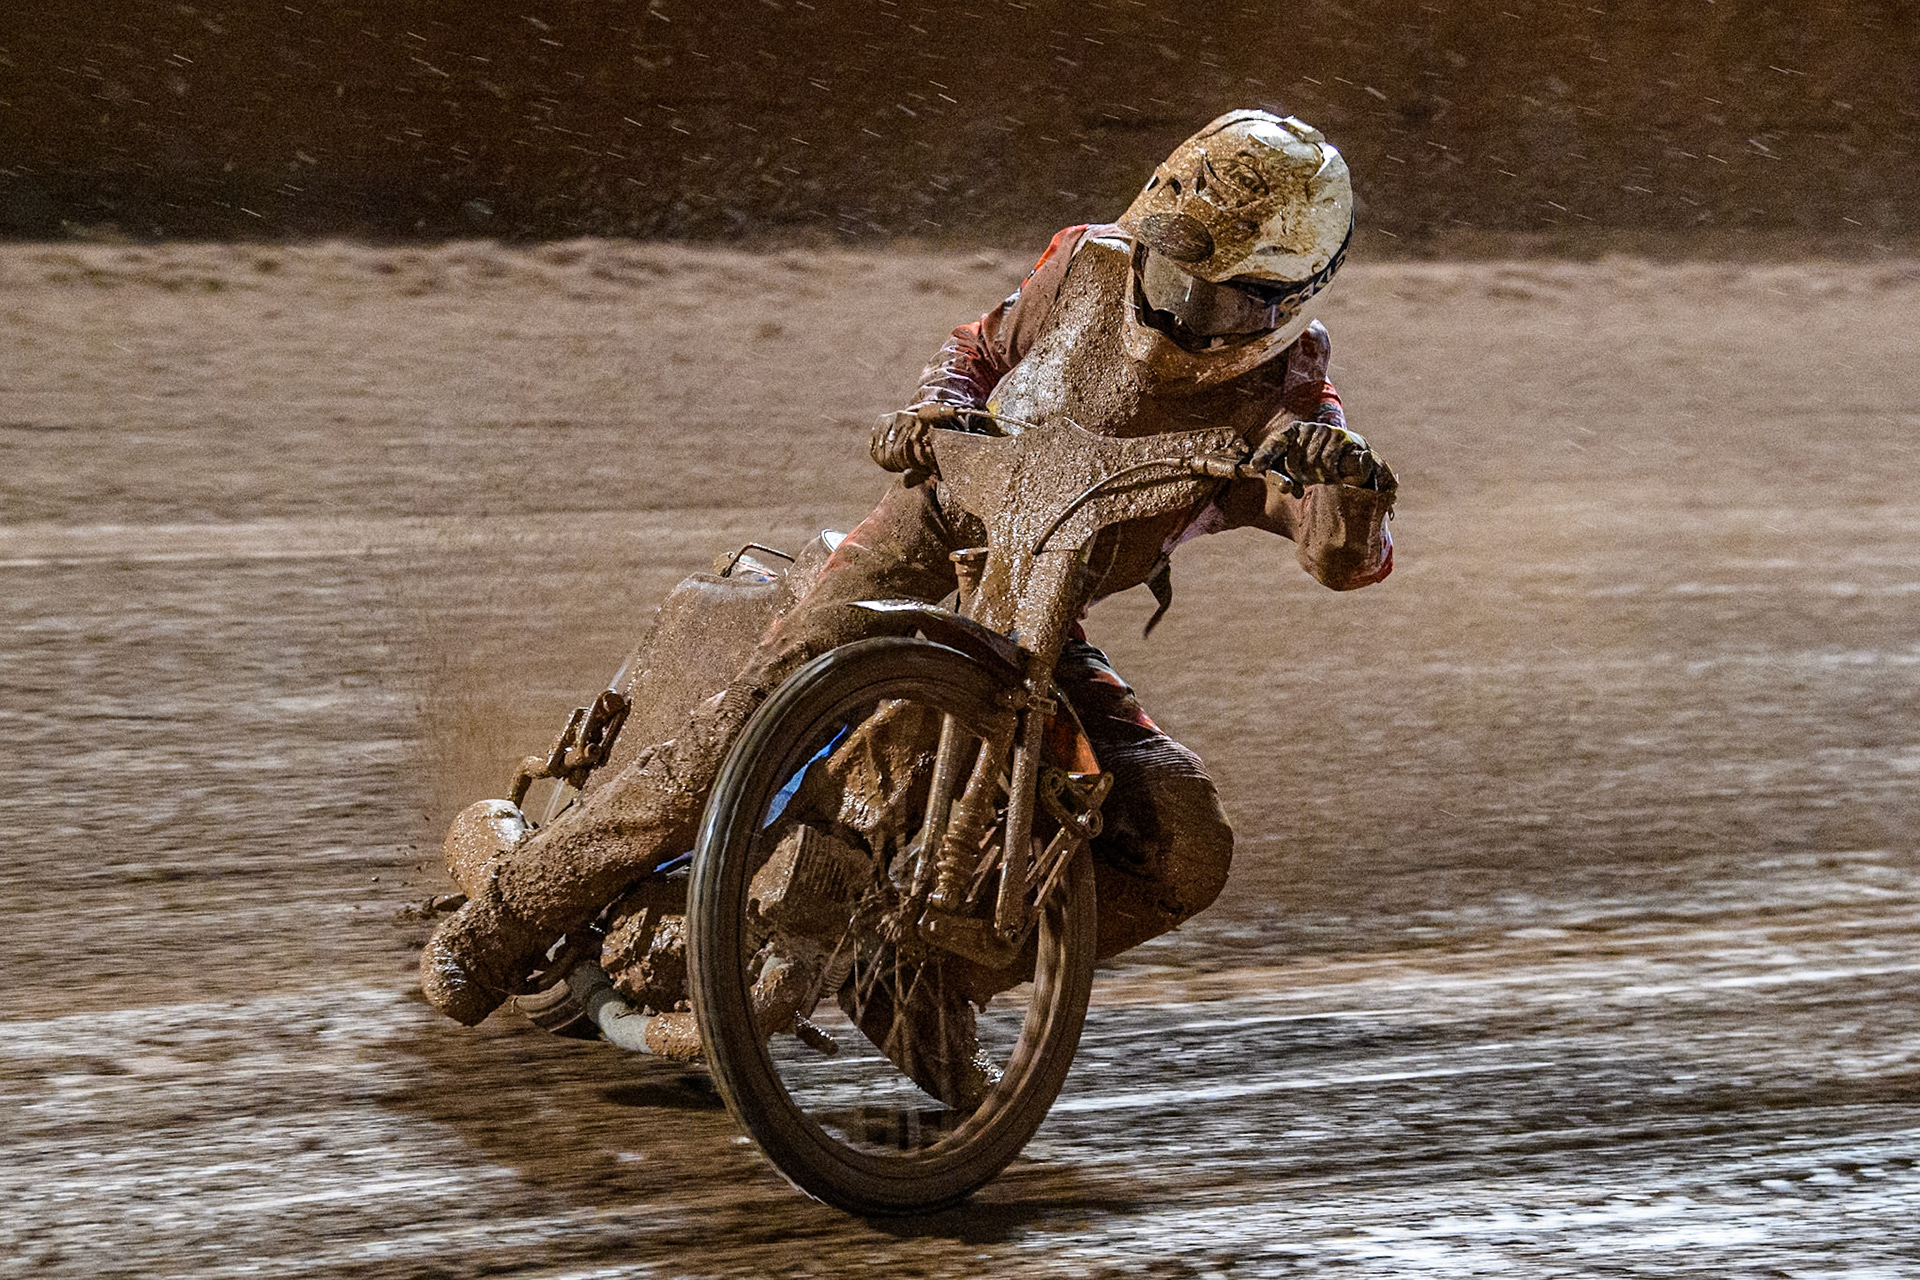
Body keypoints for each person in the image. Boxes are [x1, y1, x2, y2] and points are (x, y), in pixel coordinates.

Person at [419, 109, 1397, 1034]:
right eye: (1165, 266)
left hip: (1038, 613)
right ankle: (500, 922)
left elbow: (1343, 557)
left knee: (1184, 840)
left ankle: (915, 984)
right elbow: (977, 348)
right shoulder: (1085, 264)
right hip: (932, 531)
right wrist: (935, 407)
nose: (1172, 304)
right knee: (743, 725)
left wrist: (1348, 489)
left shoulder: (1293, 399)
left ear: (1284, 301)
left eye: (1210, 294)